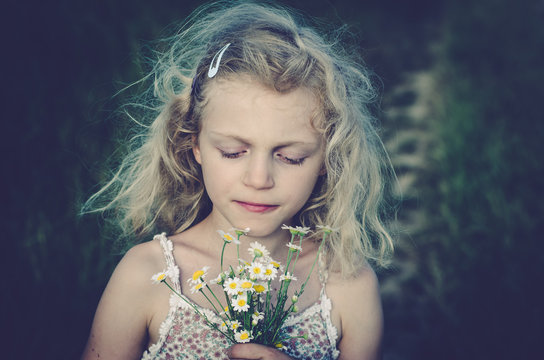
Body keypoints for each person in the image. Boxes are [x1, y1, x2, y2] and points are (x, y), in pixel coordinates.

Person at [81, 1, 395, 359]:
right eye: (233, 151)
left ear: (327, 159)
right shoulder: (147, 276)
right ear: (193, 143)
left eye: (291, 157)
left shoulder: (348, 284)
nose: (259, 179)